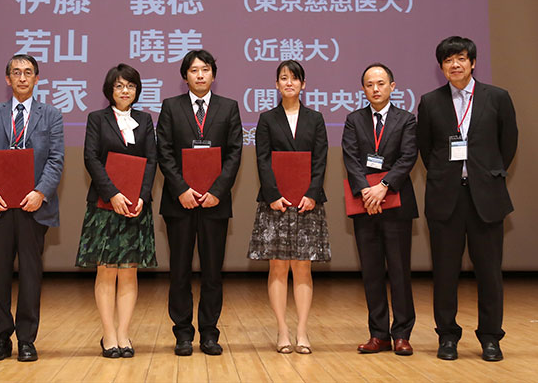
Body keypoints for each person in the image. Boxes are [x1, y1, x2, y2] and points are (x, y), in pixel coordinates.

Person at [417, 36, 518, 362]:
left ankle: (491, 338)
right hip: (446, 198)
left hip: (485, 198)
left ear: (473, 63)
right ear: (441, 67)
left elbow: (508, 144)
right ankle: (447, 336)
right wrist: (448, 176)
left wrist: (484, 173)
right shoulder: (430, 102)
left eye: (461, 58)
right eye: (448, 60)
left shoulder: (497, 98)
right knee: (445, 273)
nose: (455, 65)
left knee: (489, 273)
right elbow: (427, 150)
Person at [0, 54, 64, 363]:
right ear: (7, 79)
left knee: (30, 275)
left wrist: (41, 192)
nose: (22, 77)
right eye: (16, 72)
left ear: (37, 79)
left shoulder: (51, 114)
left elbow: (56, 159)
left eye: (28, 72)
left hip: (33, 206)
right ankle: (0, 339)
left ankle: (27, 339)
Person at [157, 49, 242, 356]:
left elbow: (234, 153)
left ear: (213, 75)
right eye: (194, 70)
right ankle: (182, 333)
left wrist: (217, 190)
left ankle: (209, 333)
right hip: (179, 203)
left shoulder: (228, 107)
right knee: (179, 271)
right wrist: (181, 189)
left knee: (212, 272)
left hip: (215, 203)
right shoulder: (171, 106)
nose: (200, 75)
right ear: (185, 76)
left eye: (205, 69)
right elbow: (164, 151)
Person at [75, 64, 158, 358]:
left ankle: (124, 333)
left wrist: (141, 197)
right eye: (119, 86)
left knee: (129, 272)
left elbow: (151, 160)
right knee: (107, 271)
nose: (125, 91)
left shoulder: (145, 120)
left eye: (131, 86)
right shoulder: (97, 119)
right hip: (105, 205)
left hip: (136, 206)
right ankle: (108, 335)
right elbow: (91, 159)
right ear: (110, 90)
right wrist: (113, 194)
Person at [247, 60, 329, 355]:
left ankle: (302, 331)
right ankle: (282, 330)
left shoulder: (315, 118)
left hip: (308, 203)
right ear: (276, 84)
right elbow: (262, 159)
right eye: (284, 78)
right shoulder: (267, 119)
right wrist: (273, 195)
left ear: (303, 84)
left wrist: (312, 194)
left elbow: (320, 159)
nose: (289, 83)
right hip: (276, 204)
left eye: (295, 78)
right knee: (278, 267)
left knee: (303, 267)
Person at [342, 63, 418, 356]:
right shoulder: (354, 120)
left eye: (381, 83)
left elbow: (408, 156)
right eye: (370, 84)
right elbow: (350, 157)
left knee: (399, 271)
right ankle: (378, 334)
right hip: (365, 205)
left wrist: (383, 186)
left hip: (395, 202)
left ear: (392, 86)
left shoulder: (406, 119)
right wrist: (366, 190)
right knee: (372, 272)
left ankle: (402, 334)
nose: (375, 89)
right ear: (363, 89)